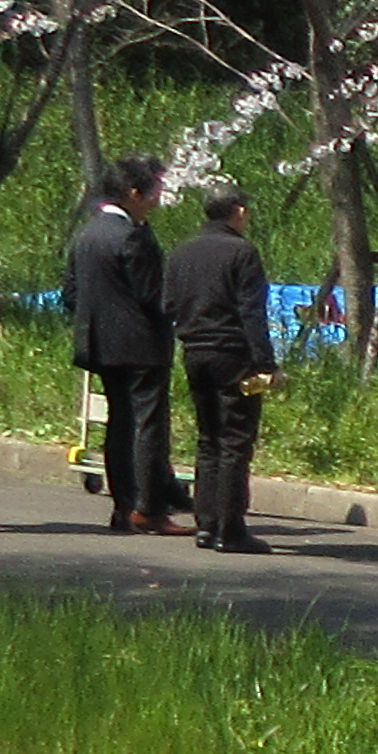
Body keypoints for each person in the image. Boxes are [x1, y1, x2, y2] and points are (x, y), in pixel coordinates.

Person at [62, 152, 181, 536]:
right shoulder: (132, 235)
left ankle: (123, 505)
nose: (159, 197)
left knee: (119, 424)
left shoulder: (87, 233)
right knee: (147, 426)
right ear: (133, 193)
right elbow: (154, 296)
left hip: (100, 344)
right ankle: (148, 508)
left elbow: (71, 293)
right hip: (141, 346)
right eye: (154, 190)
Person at [161, 181, 281, 559]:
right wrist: (266, 363)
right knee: (235, 438)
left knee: (208, 437)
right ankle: (230, 529)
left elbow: (168, 303)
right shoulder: (242, 252)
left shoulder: (182, 252)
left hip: (194, 350)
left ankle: (206, 522)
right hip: (234, 354)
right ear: (238, 211)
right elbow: (252, 312)